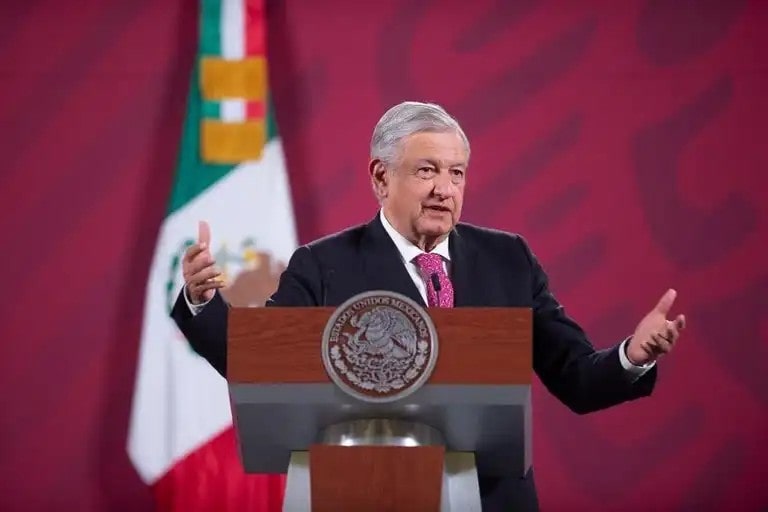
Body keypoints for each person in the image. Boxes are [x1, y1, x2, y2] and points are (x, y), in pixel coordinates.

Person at [171, 101, 686, 511]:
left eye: (457, 173)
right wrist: (203, 302)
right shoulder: (324, 265)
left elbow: (576, 377)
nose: (445, 189)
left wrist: (632, 356)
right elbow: (259, 364)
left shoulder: (509, 258)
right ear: (381, 178)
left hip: (492, 499)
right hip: (369, 496)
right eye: (427, 170)